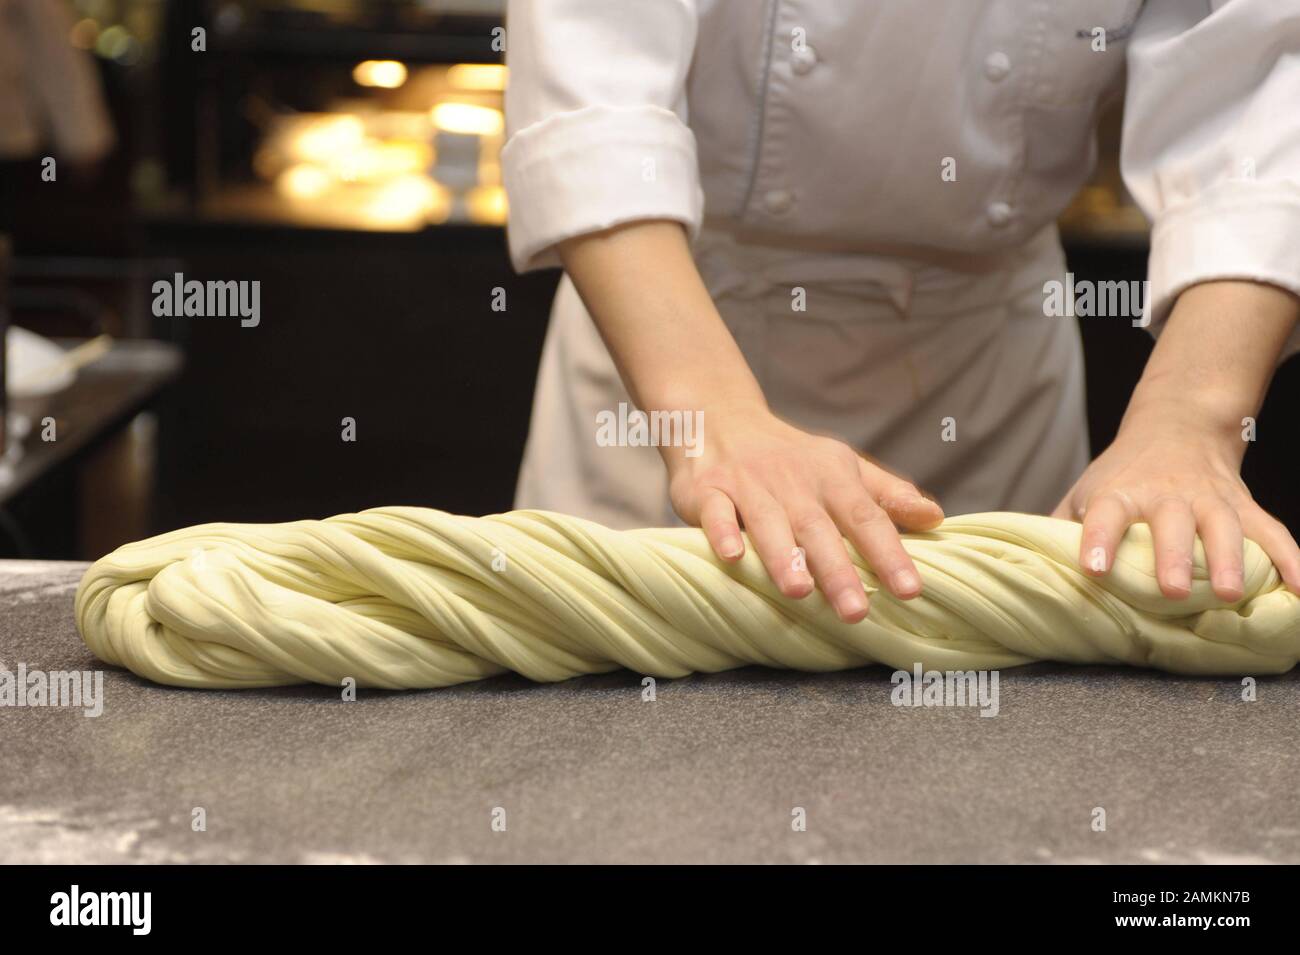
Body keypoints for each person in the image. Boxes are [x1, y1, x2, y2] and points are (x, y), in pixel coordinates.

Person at [501, 0, 1300, 623]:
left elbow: (1264, 92)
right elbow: (595, 94)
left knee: (1006, 775)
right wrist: (709, 421)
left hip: (987, 380)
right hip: (673, 350)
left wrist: (1190, 421)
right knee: (631, 780)